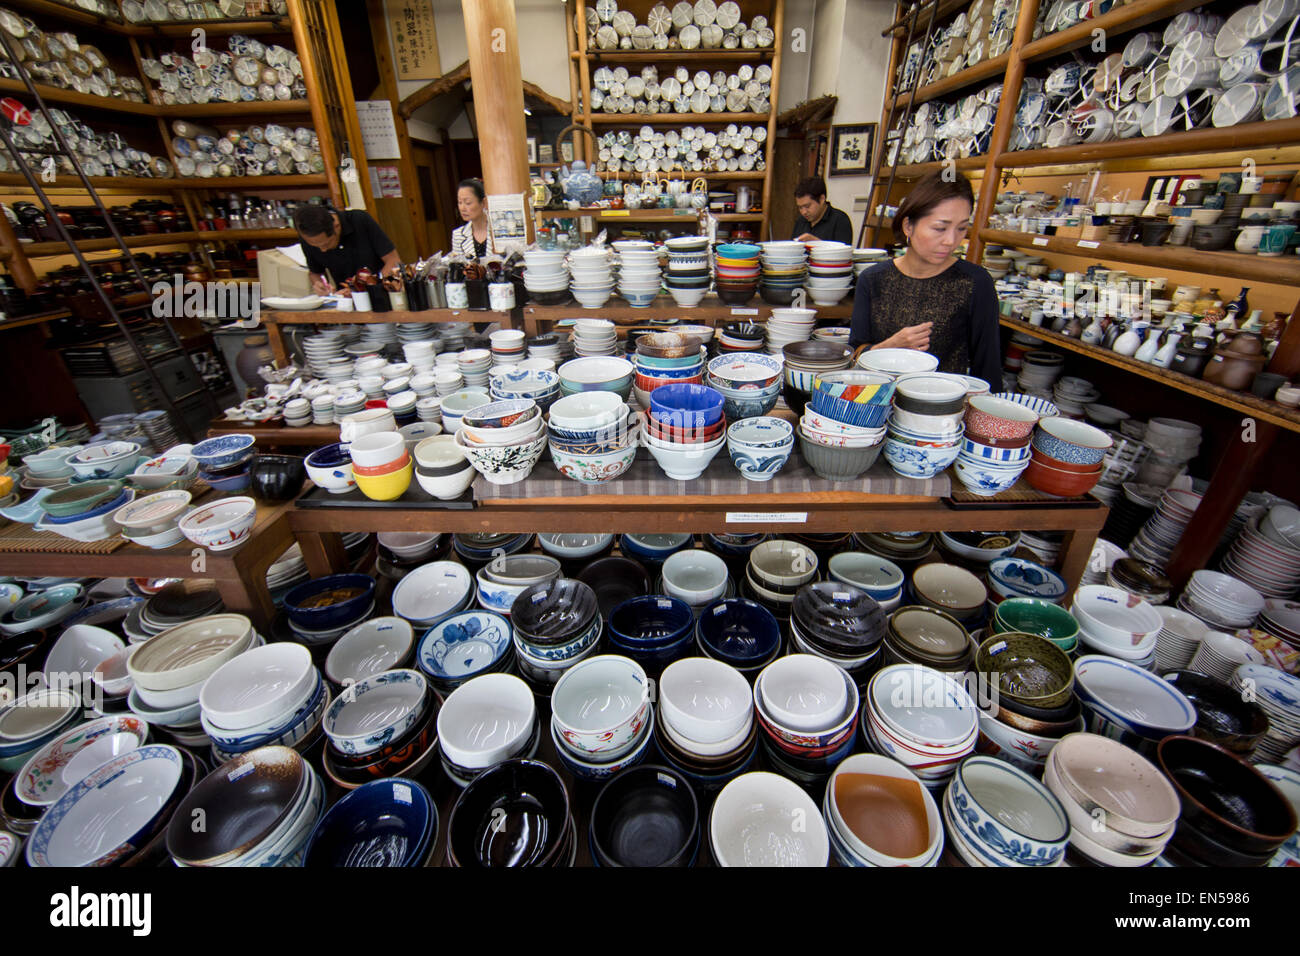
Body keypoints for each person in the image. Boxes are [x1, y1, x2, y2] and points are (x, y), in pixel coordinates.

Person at [848, 171, 1001, 389]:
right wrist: (892, 346)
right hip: (876, 404)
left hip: (944, 413)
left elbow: (988, 369)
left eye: (961, 228)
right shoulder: (873, 279)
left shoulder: (975, 282)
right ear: (908, 226)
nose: (951, 241)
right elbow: (854, 356)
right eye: (940, 228)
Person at [295, 205, 400, 295]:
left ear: (336, 226)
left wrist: (366, 288)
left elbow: (393, 260)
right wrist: (319, 284)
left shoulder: (359, 220)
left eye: (327, 243)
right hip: (345, 300)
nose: (322, 250)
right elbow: (315, 273)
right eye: (315, 246)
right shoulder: (309, 236)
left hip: (380, 294)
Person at [792, 176, 853, 245]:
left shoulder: (840, 220)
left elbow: (843, 253)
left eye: (807, 206)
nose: (804, 212)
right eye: (800, 207)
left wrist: (818, 244)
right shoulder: (800, 221)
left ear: (821, 199)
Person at [452, 178, 497, 258]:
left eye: (468, 203)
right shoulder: (458, 235)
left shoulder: (498, 229)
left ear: (483, 203)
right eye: (460, 202)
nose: (462, 208)